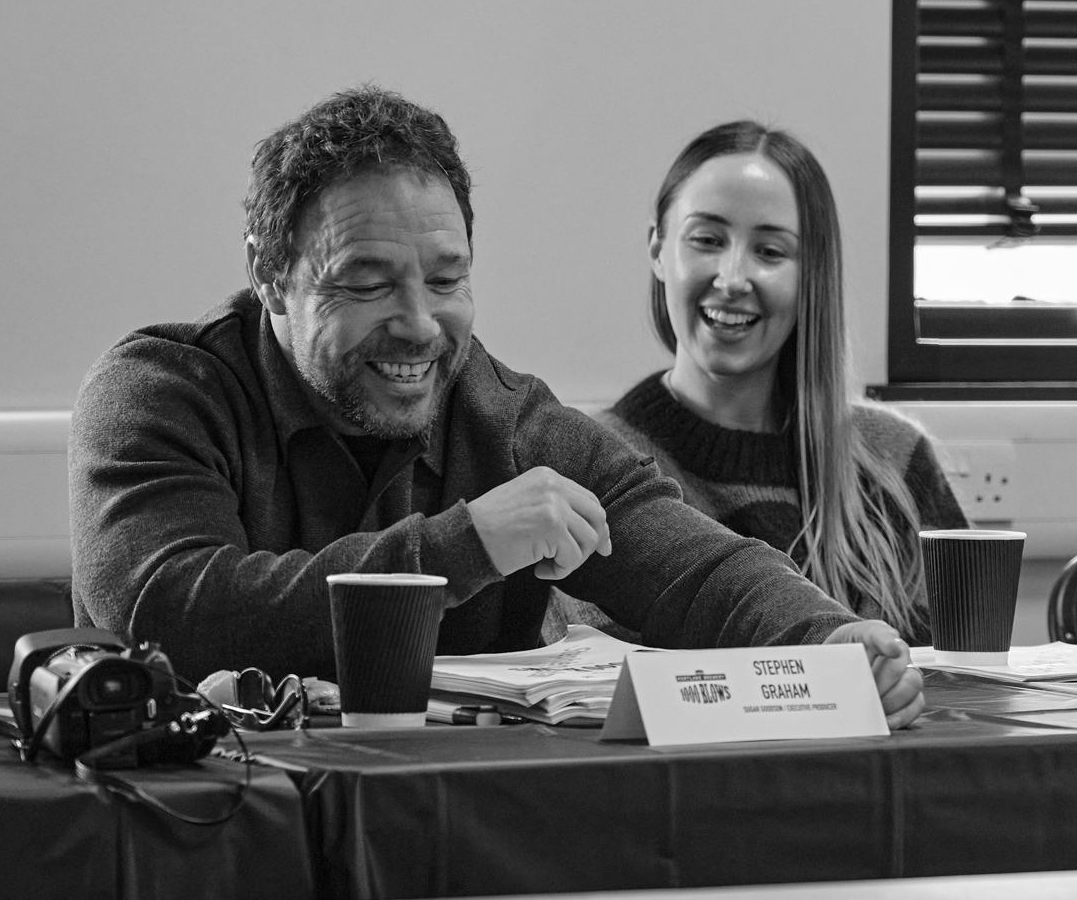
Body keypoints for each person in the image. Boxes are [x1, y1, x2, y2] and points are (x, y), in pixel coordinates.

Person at [69, 88, 923, 728]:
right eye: (366, 283)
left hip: (443, 833)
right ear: (270, 275)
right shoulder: (158, 393)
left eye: (446, 280)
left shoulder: (504, 416)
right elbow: (169, 609)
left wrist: (825, 640)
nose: (417, 324)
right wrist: (464, 545)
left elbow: (689, 564)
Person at [548, 121, 965, 648]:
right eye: (707, 240)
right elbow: (604, 682)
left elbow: (964, 678)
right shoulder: (597, 468)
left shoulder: (895, 461)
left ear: (812, 272)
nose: (732, 278)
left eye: (769, 251)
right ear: (658, 249)